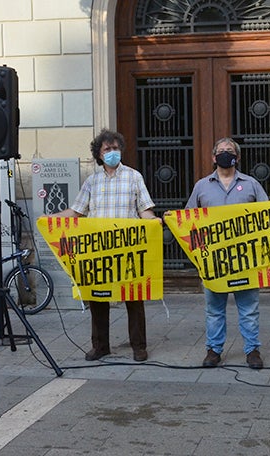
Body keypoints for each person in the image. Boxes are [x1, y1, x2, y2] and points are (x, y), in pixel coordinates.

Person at [184, 138, 270, 369]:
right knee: (214, 310)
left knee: (249, 309)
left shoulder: (251, 184)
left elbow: (267, 214)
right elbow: (188, 218)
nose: (226, 154)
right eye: (222, 151)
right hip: (215, 261)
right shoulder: (202, 186)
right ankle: (213, 350)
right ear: (214, 158)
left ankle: (252, 350)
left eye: (230, 151)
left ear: (238, 157)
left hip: (246, 260)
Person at [54, 128, 160, 362]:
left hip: (127, 248)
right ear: (99, 154)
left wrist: (154, 221)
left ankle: (139, 346)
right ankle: (100, 346)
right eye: (107, 149)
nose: (113, 152)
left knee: (134, 298)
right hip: (98, 250)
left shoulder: (134, 177)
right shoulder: (92, 182)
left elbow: (144, 209)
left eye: (116, 148)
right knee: (98, 298)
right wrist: (51, 219)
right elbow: (77, 211)